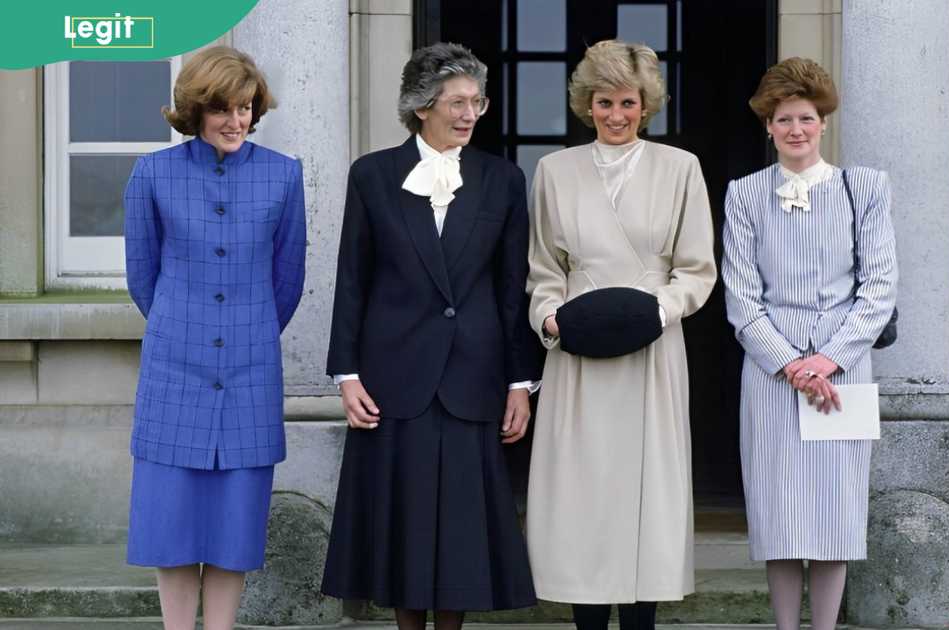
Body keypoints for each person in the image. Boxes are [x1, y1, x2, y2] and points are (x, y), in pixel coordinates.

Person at [321, 42, 540, 630]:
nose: (470, 114)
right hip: (393, 378)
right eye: (457, 102)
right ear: (422, 107)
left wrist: (520, 383)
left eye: (477, 102)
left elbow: (512, 288)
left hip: (474, 376)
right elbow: (352, 278)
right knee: (403, 526)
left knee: (461, 531)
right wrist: (346, 374)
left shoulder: (503, 180)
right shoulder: (372, 176)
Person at [525, 39, 717, 630]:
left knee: (646, 493)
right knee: (584, 493)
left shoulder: (680, 168)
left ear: (645, 104)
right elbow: (543, 270)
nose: (616, 115)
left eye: (627, 102)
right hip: (578, 352)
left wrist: (654, 312)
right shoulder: (554, 171)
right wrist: (550, 319)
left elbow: (697, 269)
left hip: (651, 348)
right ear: (587, 104)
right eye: (604, 102)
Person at [123, 46, 306, 630]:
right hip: (173, 373)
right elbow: (142, 276)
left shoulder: (283, 174)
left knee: (234, 529)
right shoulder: (152, 174)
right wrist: (187, 330)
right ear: (195, 110)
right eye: (223, 109)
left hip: (251, 376)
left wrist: (246, 333)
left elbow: (287, 279)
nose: (236, 121)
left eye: (245, 108)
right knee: (171, 527)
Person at [722, 57, 898, 630]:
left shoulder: (863, 188)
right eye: (783, 120)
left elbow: (879, 288)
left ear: (823, 122)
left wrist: (827, 361)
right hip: (771, 373)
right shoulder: (745, 195)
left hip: (842, 373)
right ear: (768, 127)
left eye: (805, 118)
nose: (795, 129)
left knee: (834, 514)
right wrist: (790, 365)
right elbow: (741, 296)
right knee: (778, 514)